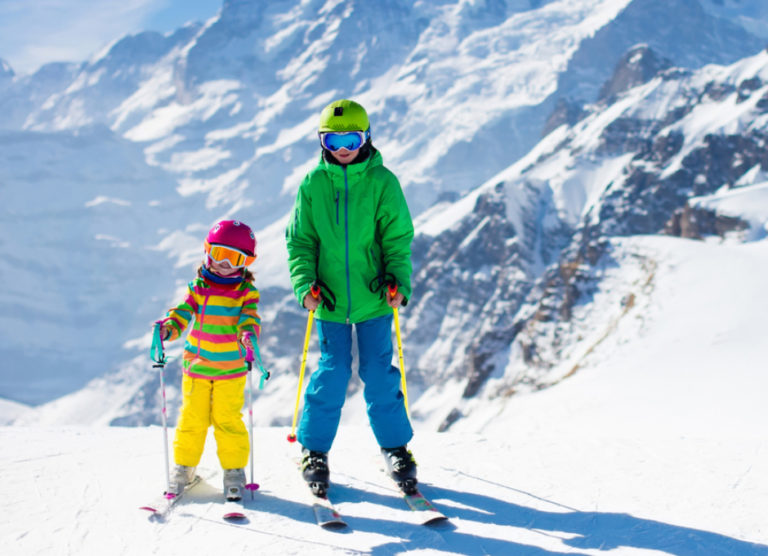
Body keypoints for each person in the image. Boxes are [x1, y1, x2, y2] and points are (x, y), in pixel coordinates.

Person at [285, 99, 417, 494]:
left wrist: (398, 280)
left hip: (374, 298)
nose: (343, 147)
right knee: (332, 372)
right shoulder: (313, 184)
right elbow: (300, 242)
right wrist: (304, 283)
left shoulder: (383, 183)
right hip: (328, 302)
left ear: (367, 137)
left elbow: (397, 238)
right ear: (322, 141)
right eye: (334, 138)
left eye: (351, 137)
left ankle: (396, 448)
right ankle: (315, 451)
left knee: (379, 374)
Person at [157, 219, 261, 501]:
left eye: (234, 258)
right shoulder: (198, 287)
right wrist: (169, 327)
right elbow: (182, 312)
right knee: (192, 419)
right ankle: (184, 468)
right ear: (207, 252)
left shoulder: (245, 292)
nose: (224, 264)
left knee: (228, 421)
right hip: (197, 367)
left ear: (246, 262)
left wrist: (247, 335)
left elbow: (249, 318)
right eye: (219, 254)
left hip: (231, 370)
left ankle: (234, 471)